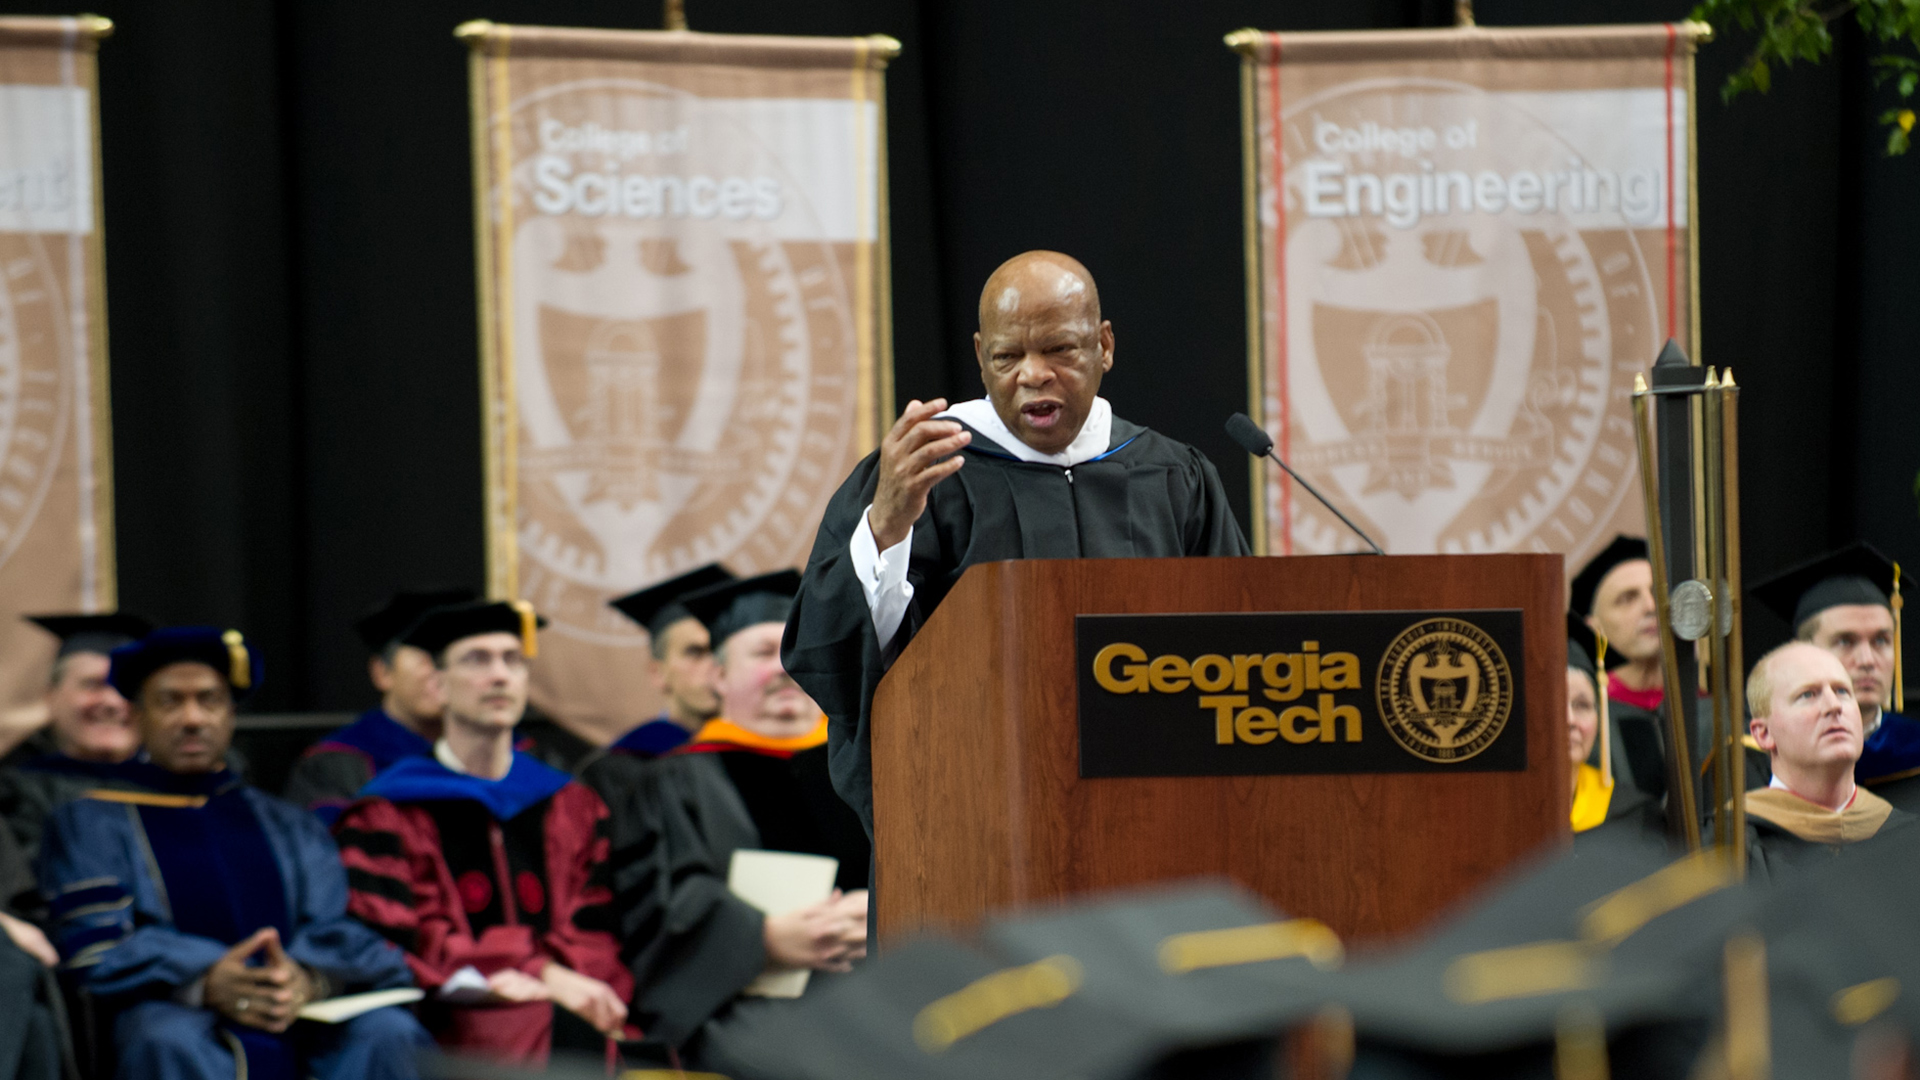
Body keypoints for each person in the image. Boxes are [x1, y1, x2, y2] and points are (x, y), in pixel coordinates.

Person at [784, 250, 1249, 849]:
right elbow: (832, 659)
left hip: (1155, 815)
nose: (1033, 374)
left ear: (1103, 345)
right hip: (976, 822)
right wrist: (886, 529)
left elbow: (1236, 645)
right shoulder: (923, 474)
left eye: (1060, 350)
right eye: (1007, 357)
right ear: (980, 356)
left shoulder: (1172, 475)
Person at [36, 626, 428, 1080]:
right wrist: (206, 977)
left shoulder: (286, 822)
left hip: (295, 1007)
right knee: (165, 1040)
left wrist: (303, 978)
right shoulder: (91, 821)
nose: (193, 718)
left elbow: (333, 925)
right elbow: (96, 946)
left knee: (387, 1031)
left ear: (230, 714)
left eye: (210, 700)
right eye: (169, 702)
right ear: (138, 716)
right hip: (177, 1006)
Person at [333, 601, 631, 1063]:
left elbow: (594, 926)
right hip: (453, 1010)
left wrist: (565, 979)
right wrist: (534, 972)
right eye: (477, 659)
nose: (499, 676)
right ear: (437, 686)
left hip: (572, 996)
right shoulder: (390, 812)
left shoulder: (571, 805)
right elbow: (411, 937)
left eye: (513, 660)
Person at [599, 571, 868, 1069]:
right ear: (719, 676)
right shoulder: (672, 781)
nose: (786, 667)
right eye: (764, 653)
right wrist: (761, 939)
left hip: (876, 986)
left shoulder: (867, 767)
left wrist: (881, 908)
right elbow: (661, 903)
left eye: (796, 649)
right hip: (747, 1003)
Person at [282, 588, 472, 824]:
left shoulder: (509, 756)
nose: (442, 671)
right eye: (429, 658)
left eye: (460, 658)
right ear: (382, 672)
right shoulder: (337, 764)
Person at [1752, 542, 1915, 810]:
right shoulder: (1755, 759)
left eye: (1881, 641)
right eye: (1845, 641)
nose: (1867, 660)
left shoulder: (1913, 748)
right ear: (1802, 651)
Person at [1740, 641, 1913, 881]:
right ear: (1764, 734)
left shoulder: (1907, 836)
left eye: (1842, 691)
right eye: (1807, 694)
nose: (1834, 706)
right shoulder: (1731, 846)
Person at [0, 614, 153, 872]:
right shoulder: (13, 797)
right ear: (50, 697)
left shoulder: (188, 788)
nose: (112, 702)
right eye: (93, 684)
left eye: (126, 687)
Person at [601, 564, 734, 760]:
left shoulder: (766, 749)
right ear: (658, 674)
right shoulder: (632, 759)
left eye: (720, 650)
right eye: (695, 653)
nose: (715, 666)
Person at [1566, 616, 1654, 836]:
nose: (1569, 720)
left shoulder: (1634, 816)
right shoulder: (1500, 813)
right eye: (1552, 705)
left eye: (1582, 705)